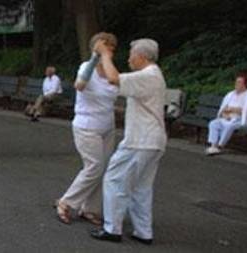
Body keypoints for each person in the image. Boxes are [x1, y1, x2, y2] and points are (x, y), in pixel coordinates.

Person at [89, 38, 167, 245]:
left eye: (132, 54)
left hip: (140, 140)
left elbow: (113, 78)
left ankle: (112, 228)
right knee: (141, 187)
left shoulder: (147, 76)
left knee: (115, 179)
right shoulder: (152, 75)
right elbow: (110, 76)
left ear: (141, 56)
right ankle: (143, 232)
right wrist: (99, 57)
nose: (129, 58)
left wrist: (104, 54)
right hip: (153, 140)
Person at [55, 32, 119, 225]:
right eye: (106, 47)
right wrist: (94, 58)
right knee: (94, 167)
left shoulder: (111, 70)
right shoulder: (86, 67)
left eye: (112, 49)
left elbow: (117, 86)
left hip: (107, 126)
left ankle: (90, 208)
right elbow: (80, 85)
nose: (109, 52)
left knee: (104, 168)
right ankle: (66, 202)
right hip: (87, 125)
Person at [205, 72, 247, 155]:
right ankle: (213, 145)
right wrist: (224, 114)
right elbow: (223, 108)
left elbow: (245, 110)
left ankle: (219, 146)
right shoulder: (231, 94)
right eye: (236, 82)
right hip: (227, 118)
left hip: (240, 120)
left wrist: (231, 109)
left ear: (245, 84)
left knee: (229, 126)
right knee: (213, 123)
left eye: (239, 82)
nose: (236, 84)